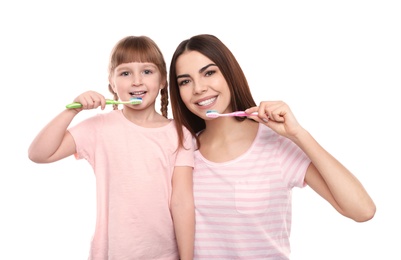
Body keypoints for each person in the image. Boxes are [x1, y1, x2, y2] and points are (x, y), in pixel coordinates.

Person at [168, 34, 376, 259]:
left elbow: (362, 210)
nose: (198, 88)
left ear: (229, 73)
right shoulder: (181, 151)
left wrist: (299, 134)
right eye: (185, 81)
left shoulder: (276, 144)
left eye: (209, 72)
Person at [28, 36, 195, 260]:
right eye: (125, 73)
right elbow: (39, 154)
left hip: (165, 254)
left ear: (163, 80)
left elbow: (182, 202)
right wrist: (73, 109)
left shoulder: (179, 133)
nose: (137, 81)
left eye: (147, 71)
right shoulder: (100, 127)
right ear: (112, 84)